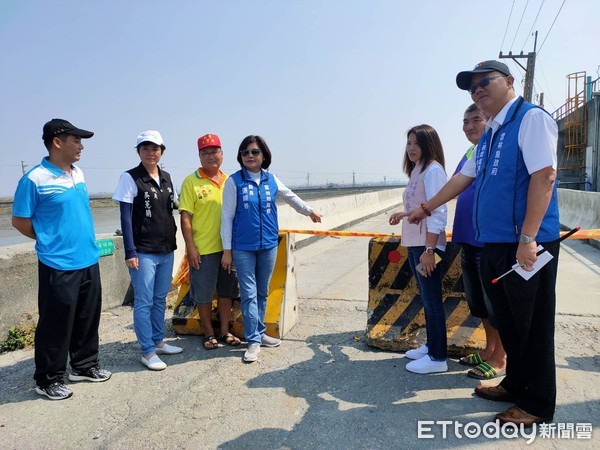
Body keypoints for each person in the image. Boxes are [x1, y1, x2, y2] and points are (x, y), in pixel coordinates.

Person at [408, 60, 559, 426]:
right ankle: (516, 383)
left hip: (522, 244)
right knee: (506, 320)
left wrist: (528, 238)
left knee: (532, 325)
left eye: (484, 82)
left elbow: (545, 175)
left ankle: (537, 404)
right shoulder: (491, 132)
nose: (477, 90)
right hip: (492, 243)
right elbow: (463, 179)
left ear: (509, 81)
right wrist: (426, 207)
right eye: (471, 86)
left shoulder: (530, 118)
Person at [12, 118, 111, 400]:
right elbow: (19, 220)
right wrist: (48, 239)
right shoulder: (34, 179)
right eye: (76, 140)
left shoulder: (77, 173)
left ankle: (84, 365)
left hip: (88, 258)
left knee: (87, 317)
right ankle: (48, 378)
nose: (81, 146)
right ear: (57, 142)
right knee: (56, 323)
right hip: (58, 263)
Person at [220, 135, 322, 363]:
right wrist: (227, 250)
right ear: (240, 157)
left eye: (255, 152)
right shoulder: (233, 182)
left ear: (263, 155)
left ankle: (259, 332)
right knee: (248, 293)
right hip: (242, 247)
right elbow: (226, 217)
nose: (250, 156)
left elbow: (290, 197)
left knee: (263, 291)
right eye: (245, 152)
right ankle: (253, 341)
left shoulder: (271, 179)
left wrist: (310, 211)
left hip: (268, 245)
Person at [112, 130, 182, 371]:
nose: (151, 152)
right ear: (138, 151)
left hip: (166, 249)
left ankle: (158, 342)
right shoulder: (130, 178)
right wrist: (130, 251)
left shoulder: (167, 177)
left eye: (155, 148)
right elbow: (125, 216)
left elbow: (170, 210)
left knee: (160, 298)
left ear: (162, 151)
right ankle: (147, 351)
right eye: (145, 148)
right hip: (142, 251)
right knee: (143, 301)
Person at [452, 104, 507, 380]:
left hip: (487, 241)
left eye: (476, 120)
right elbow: (453, 186)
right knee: (479, 302)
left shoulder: (496, 149)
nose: (469, 126)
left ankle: (500, 357)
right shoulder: (470, 152)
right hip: (467, 239)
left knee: (495, 302)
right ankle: (488, 349)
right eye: (465, 121)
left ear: (490, 121)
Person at [388, 124, 448, 374]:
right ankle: (431, 346)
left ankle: (438, 358)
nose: (411, 148)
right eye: (409, 143)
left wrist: (430, 250)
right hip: (416, 242)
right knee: (426, 298)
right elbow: (421, 206)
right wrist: (403, 213)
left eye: (416, 143)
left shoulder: (433, 171)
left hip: (426, 245)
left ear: (428, 144)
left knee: (433, 300)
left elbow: (439, 211)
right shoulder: (417, 170)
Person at [179, 133, 241, 351]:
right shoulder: (191, 182)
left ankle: (225, 331)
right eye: (205, 153)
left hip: (229, 249)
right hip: (203, 250)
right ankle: (208, 333)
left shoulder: (230, 181)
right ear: (199, 156)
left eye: (214, 151)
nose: (211, 156)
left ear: (222, 154)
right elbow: (185, 218)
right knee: (203, 294)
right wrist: (191, 248)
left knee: (227, 292)